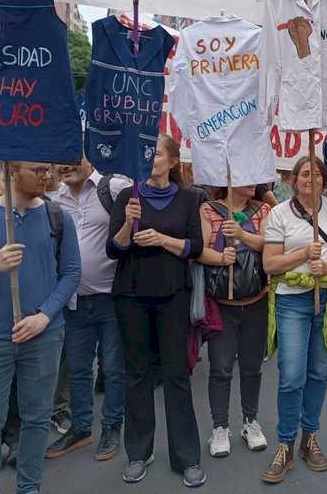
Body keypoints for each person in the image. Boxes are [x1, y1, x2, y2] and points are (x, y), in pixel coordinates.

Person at [0, 161, 81, 494]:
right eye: (38, 169)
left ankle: (29, 487)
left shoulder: (58, 217)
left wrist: (44, 316)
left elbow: (70, 274)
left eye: (48, 169)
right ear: (10, 173)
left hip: (43, 337)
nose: (47, 175)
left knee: (37, 421)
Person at [107, 134, 207, 488]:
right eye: (146, 152)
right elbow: (113, 249)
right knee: (137, 375)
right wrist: (126, 226)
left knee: (176, 374)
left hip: (173, 295)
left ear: (173, 160)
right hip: (131, 295)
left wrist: (162, 240)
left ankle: (187, 457)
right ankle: (138, 452)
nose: (150, 158)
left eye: (157, 153)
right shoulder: (127, 197)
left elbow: (196, 246)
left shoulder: (189, 197)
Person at [260, 156, 327, 484]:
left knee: (318, 372)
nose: (310, 179)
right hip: (292, 301)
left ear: (325, 180)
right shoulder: (278, 215)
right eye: (304, 174)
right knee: (291, 375)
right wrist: (304, 255)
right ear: (293, 179)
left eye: (316, 174)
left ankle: (310, 437)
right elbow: (270, 265)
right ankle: (286, 443)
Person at [45, 160, 129, 462]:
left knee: (114, 369)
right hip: (74, 301)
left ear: (88, 157)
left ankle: (111, 427)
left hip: (112, 298)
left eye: (71, 159)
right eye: (60, 163)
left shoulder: (115, 187)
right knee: (79, 369)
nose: (64, 167)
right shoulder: (54, 201)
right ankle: (81, 428)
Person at [199, 183, 271, 458]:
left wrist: (242, 235)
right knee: (221, 368)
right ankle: (220, 427)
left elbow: (270, 244)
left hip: (256, 301)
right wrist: (220, 257)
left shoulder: (263, 210)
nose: (253, 183)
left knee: (252, 367)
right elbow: (199, 250)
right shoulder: (208, 210)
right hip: (222, 306)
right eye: (246, 176)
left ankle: (250, 421)